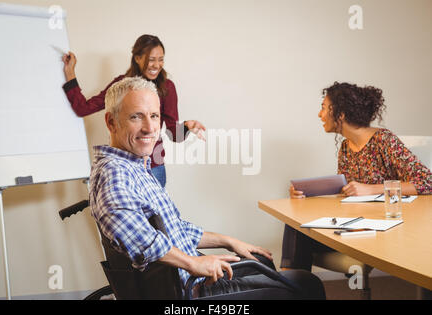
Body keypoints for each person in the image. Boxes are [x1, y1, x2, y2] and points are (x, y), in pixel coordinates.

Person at [89, 76, 325, 299]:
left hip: (190, 280)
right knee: (306, 284)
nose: (150, 128)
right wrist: (194, 263)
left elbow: (175, 230)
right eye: (136, 117)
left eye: (154, 116)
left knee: (262, 262)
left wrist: (229, 241)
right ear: (111, 121)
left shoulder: (135, 167)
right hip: (190, 291)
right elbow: (138, 239)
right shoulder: (114, 173)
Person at [281, 82, 432, 271]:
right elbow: (346, 191)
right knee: (297, 226)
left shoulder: (384, 140)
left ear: (340, 114)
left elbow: (427, 182)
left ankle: (290, 287)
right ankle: (292, 286)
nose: (320, 115)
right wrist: (305, 193)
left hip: (383, 228)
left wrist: (370, 189)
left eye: (324, 108)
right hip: (356, 223)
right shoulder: (346, 147)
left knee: (299, 240)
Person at [62, 34, 205, 187]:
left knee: (155, 211)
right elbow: (83, 108)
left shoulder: (167, 87)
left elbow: (173, 133)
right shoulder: (121, 85)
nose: (157, 65)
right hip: (123, 165)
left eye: (161, 59)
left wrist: (187, 127)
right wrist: (70, 73)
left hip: (153, 168)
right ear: (137, 58)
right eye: (151, 59)